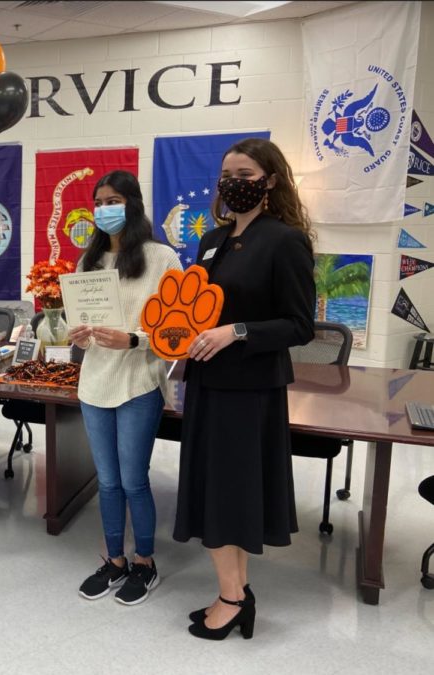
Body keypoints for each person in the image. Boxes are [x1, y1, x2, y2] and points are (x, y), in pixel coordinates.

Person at [172, 138, 316, 640]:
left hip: (249, 390)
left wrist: (237, 331)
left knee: (229, 496)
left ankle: (232, 599)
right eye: (227, 172)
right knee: (216, 491)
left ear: (270, 180)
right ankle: (235, 590)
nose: (233, 180)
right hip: (208, 383)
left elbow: (299, 326)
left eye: (246, 171)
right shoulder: (212, 239)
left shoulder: (285, 240)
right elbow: (198, 305)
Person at [68, 171, 182, 606]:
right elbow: (84, 324)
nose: (103, 210)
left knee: (134, 480)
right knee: (109, 482)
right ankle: (115, 559)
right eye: (98, 202)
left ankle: (145, 562)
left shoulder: (162, 258)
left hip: (139, 381)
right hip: (94, 381)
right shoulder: (87, 262)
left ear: (132, 203)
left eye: (112, 200)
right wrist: (79, 336)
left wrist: (135, 339)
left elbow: (179, 328)